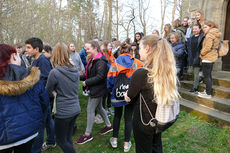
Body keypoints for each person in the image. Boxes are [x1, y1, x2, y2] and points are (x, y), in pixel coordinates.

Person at [124, 35, 180, 153]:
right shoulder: (165, 71)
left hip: (144, 122)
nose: (139, 51)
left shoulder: (141, 73)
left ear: (148, 49)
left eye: (140, 47)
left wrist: (126, 94)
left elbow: (130, 96)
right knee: (156, 147)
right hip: (159, 119)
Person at [0, 44, 49, 153]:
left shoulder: (30, 74)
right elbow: (44, 103)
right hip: (28, 132)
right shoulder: (30, 75)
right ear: (13, 56)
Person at [107, 42, 143, 152]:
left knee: (117, 116)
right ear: (130, 51)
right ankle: (126, 144)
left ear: (120, 51)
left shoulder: (114, 64)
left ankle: (114, 140)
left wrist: (111, 91)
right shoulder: (137, 63)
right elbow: (140, 78)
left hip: (117, 94)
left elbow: (109, 80)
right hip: (130, 94)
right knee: (128, 118)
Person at [46, 42, 81, 153]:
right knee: (67, 139)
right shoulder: (75, 69)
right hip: (75, 108)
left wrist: (54, 93)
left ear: (55, 54)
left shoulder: (54, 72)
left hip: (63, 112)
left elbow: (47, 91)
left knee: (61, 140)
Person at [76, 40, 113, 144]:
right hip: (97, 89)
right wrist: (77, 76)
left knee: (90, 109)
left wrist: (87, 82)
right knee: (99, 107)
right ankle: (109, 126)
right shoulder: (93, 59)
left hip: (98, 90)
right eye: (85, 49)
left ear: (95, 48)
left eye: (88, 49)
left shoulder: (100, 61)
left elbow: (101, 76)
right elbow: (89, 74)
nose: (86, 51)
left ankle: (88, 134)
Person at [25, 37, 55, 153]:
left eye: (28, 48)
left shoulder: (42, 60)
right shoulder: (35, 60)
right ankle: (51, 140)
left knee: (40, 125)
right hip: (41, 97)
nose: (26, 50)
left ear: (36, 49)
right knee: (47, 120)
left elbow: (48, 79)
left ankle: (36, 149)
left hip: (42, 98)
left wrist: (38, 92)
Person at [198, 21, 221, 98]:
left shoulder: (209, 35)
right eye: (203, 27)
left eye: (205, 27)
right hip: (211, 57)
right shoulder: (214, 34)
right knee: (208, 76)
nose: (203, 29)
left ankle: (208, 94)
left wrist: (201, 53)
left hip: (208, 57)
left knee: (207, 76)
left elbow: (207, 47)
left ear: (210, 27)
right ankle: (208, 91)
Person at [101, 40, 116, 116]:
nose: (111, 47)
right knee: (105, 95)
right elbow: (107, 66)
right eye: (109, 45)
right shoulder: (103, 55)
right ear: (106, 46)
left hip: (111, 77)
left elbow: (114, 63)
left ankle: (109, 107)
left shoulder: (111, 54)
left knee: (110, 93)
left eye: (111, 46)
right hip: (105, 78)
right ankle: (103, 110)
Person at [189, 24, 205, 93]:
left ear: (200, 29)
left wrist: (200, 56)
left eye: (196, 29)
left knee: (196, 73)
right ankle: (200, 78)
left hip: (198, 57)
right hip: (192, 57)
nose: (194, 30)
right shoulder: (191, 37)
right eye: (193, 29)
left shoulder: (202, 37)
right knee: (191, 72)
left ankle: (195, 88)